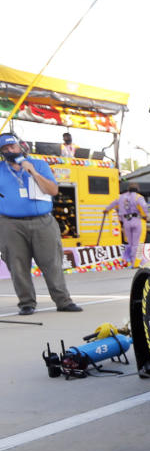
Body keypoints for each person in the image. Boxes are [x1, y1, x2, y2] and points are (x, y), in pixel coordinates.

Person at [0, 133, 82, 315]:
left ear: (20, 146)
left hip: (42, 222)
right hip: (10, 224)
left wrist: (33, 172)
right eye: (4, 149)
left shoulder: (39, 165)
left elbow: (52, 190)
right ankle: (26, 302)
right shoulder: (0, 169)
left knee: (52, 262)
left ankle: (63, 301)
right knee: (17, 264)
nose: (9, 151)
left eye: (12, 147)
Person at [103, 183, 148, 267]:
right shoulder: (138, 197)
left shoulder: (121, 197)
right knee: (138, 243)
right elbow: (143, 206)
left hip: (126, 221)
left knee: (131, 243)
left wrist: (106, 210)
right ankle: (136, 263)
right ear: (137, 189)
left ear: (128, 189)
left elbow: (113, 204)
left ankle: (132, 261)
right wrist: (145, 215)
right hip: (137, 220)